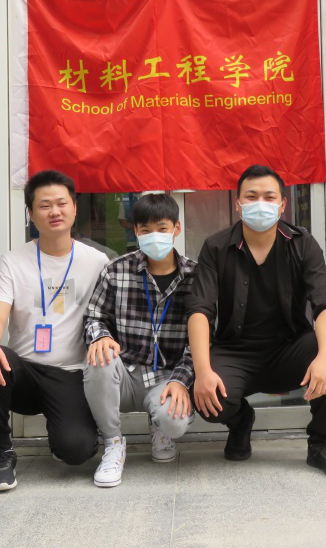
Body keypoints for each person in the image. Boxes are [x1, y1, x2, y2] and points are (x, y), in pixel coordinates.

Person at [187, 165, 326, 480]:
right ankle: (241, 421)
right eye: (251, 197)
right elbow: (199, 310)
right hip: (236, 352)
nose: (260, 204)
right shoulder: (216, 247)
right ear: (238, 204)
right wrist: (203, 371)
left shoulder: (302, 243)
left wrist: (323, 357)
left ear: (282, 204)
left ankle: (321, 444)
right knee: (210, 401)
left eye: (269, 197)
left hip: (289, 350)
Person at [0, 170, 107, 492]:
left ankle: (61, 430)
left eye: (61, 203)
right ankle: (1, 451)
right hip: (25, 371)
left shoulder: (97, 261)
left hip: (71, 373)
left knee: (77, 451)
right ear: (31, 214)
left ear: (74, 208)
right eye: (44, 206)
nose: (54, 212)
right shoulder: (12, 262)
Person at [83, 193, 197, 488]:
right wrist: (101, 337)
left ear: (176, 228)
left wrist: (182, 380)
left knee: (174, 422)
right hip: (125, 373)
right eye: (146, 230)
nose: (154, 236)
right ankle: (113, 443)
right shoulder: (115, 270)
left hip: (167, 378)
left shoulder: (195, 276)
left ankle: (161, 429)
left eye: (162, 228)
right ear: (135, 231)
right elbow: (94, 316)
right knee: (99, 357)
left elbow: (202, 341)